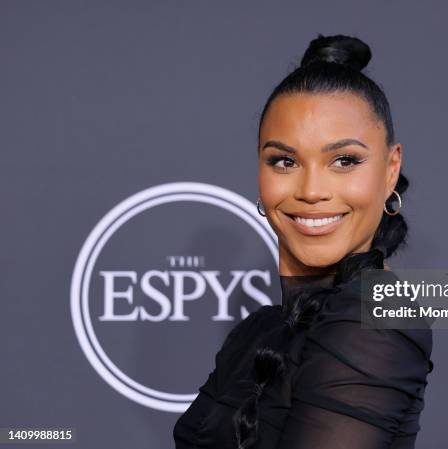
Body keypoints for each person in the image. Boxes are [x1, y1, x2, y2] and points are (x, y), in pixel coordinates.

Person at [173, 33, 434, 449]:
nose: (311, 190)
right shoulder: (255, 332)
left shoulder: (375, 318)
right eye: (285, 161)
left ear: (390, 169)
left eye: (344, 161)